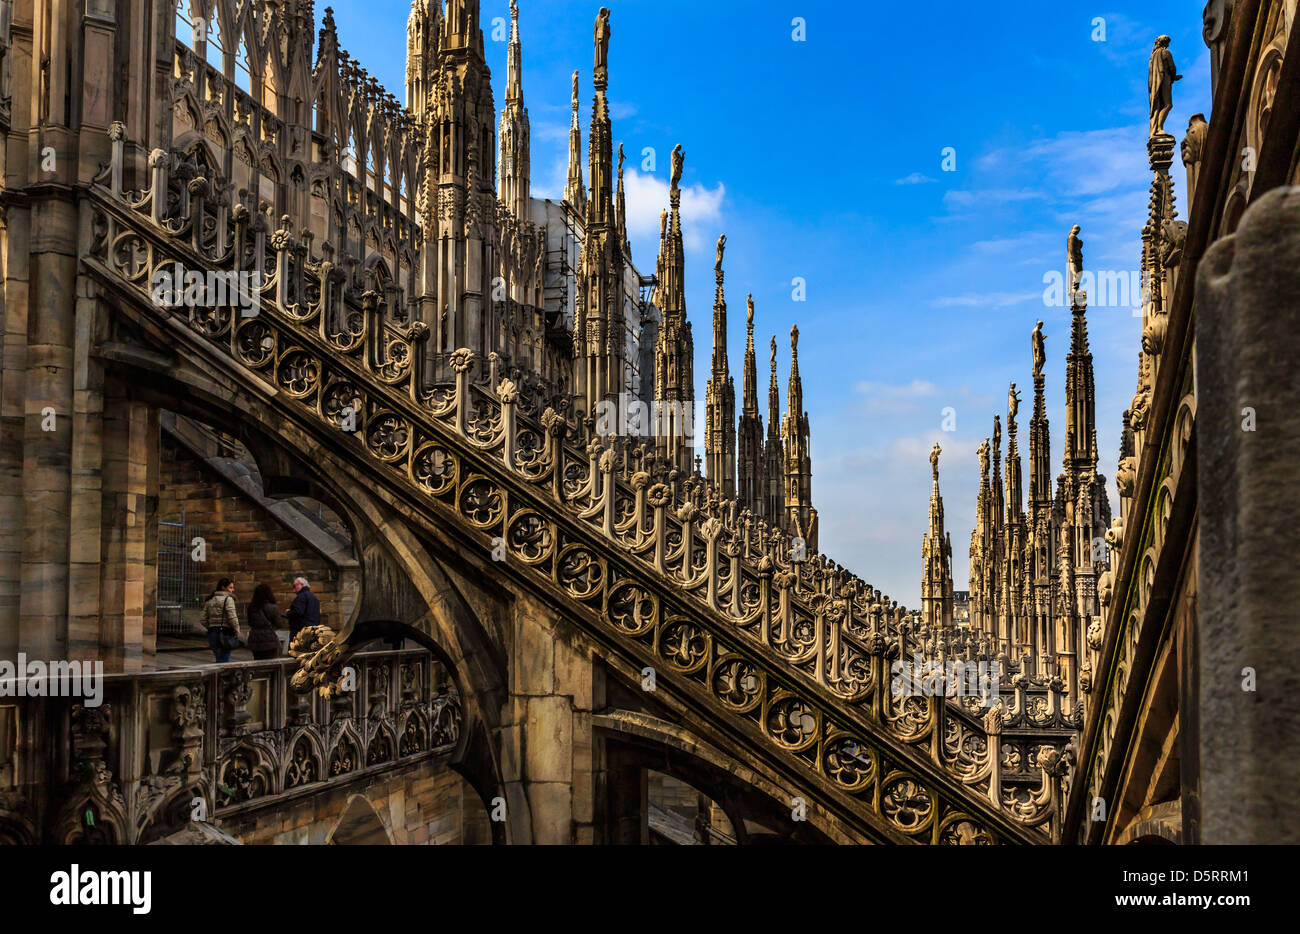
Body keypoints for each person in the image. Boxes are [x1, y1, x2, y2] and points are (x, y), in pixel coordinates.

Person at [202, 578, 242, 663]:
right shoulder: (228, 599)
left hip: (212, 633)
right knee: (224, 660)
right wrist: (237, 630)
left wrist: (211, 626)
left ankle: (217, 676)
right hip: (225, 633)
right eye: (230, 587)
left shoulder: (210, 600)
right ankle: (221, 676)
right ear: (223, 587)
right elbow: (232, 618)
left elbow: (202, 619)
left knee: (219, 658)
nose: (232, 590)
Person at [246, 583, 281, 660]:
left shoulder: (251, 608)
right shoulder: (272, 607)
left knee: (257, 662)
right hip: (269, 639)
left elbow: (249, 622)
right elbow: (279, 624)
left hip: (254, 639)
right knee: (271, 663)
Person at [285, 576, 321, 642]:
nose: (294, 589)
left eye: (295, 586)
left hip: (301, 632)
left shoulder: (301, 597)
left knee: (296, 651)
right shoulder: (314, 597)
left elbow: (298, 612)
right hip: (313, 631)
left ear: (302, 584)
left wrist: (289, 612)